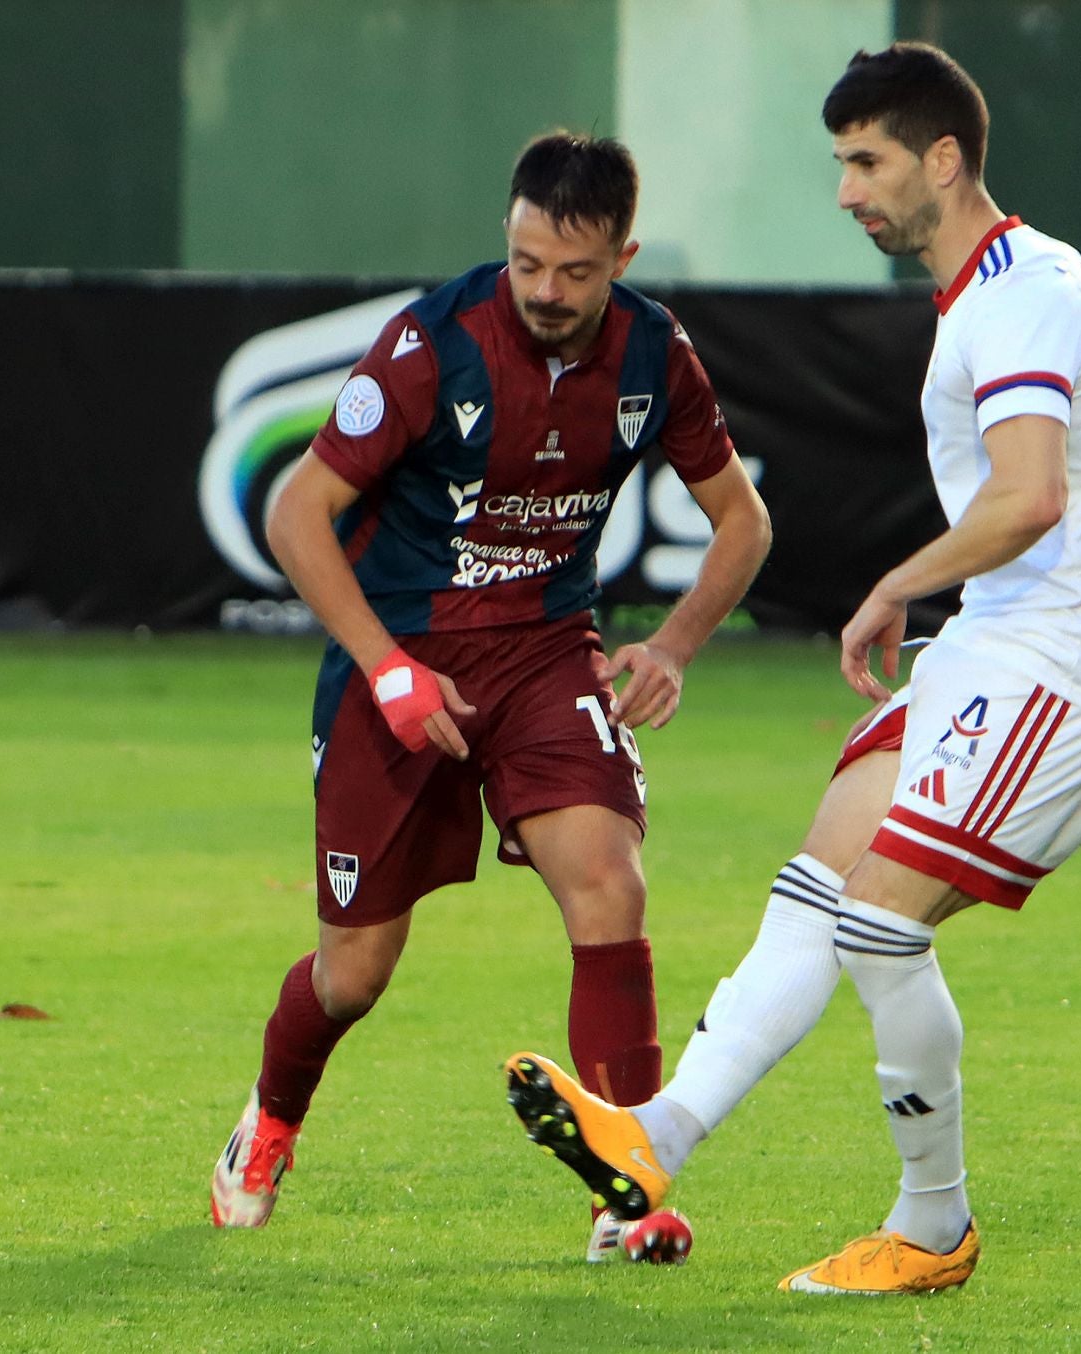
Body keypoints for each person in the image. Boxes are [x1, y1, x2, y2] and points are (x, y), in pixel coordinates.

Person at [505, 41, 1081, 1294]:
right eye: (840, 162)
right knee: (819, 885)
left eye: (865, 161)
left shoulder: (1020, 292)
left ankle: (932, 1229)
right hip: (999, 646)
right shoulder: (989, 290)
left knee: (878, 923)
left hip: (1070, 661)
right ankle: (654, 1139)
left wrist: (895, 581)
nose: (849, 189)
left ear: (943, 157)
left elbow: (1026, 499)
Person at [210, 132, 773, 1264]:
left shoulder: (659, 355)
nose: (546, 292)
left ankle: (631, 1191)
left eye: (573, 271)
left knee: (610, 884)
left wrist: (674, 642)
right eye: (525, 265)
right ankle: (269, 1119)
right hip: (403, 656)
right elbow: (295, 514)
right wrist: (389, 669)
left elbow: (744, 523)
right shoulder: (431, 344)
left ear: (622, 254)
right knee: (354, 973)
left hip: (546, 654)